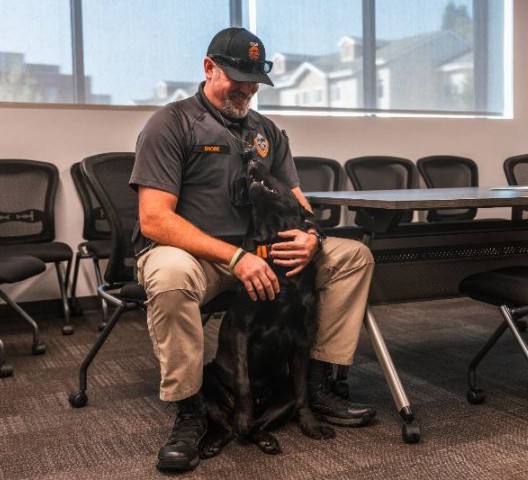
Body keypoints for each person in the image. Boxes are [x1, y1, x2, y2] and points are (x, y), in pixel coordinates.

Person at [129, 27, 376, 472]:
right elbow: (154, 219)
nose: (245, 89)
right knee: (170, 275)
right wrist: (234, 258)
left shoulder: (266, 131)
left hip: (261, 252)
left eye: (253, 81)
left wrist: (312, 238)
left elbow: (296, 199)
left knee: (351, 257)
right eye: (236, 77)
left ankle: (316, 387)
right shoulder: (172, 123)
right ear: (208, 68)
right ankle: (190, 412)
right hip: (195, 254)